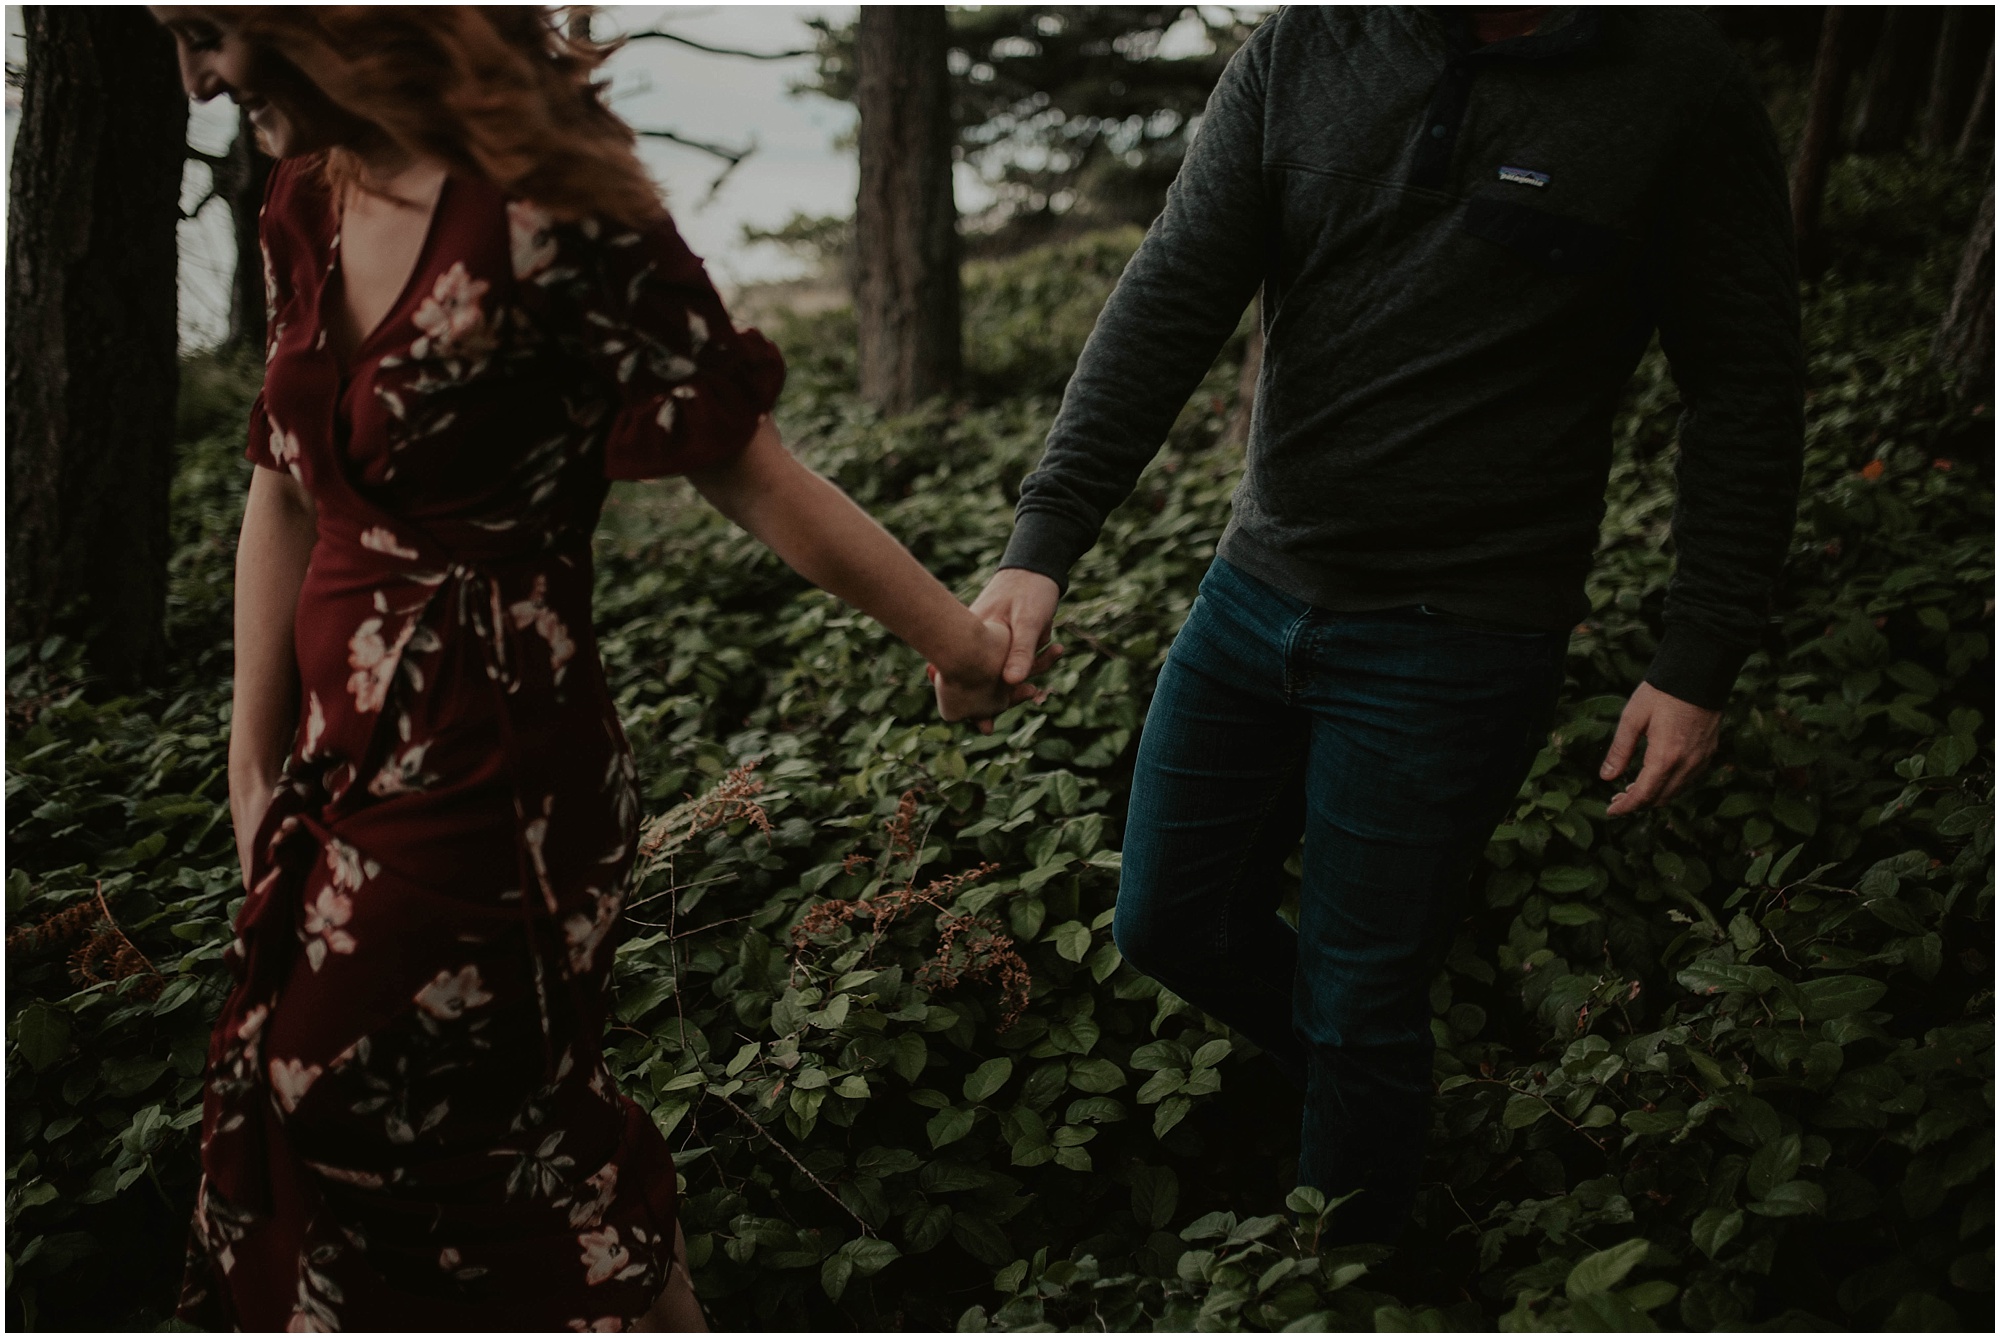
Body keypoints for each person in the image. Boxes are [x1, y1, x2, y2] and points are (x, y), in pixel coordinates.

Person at [151, 7, 1030, 1330]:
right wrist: (252, 765)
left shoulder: (548, 203)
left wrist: (959, 646)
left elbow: (755, 472)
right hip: (336, 762)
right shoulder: (305, 199)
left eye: (208, 32)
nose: (199, 83)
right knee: (475, 1132)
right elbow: (282, 487)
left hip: (495, 772)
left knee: (332, 1090)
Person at [958, 5, 1804, 1246]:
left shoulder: (1679, 91)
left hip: (1457, 638)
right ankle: (1371, 1103)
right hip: (1251, 594)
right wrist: (1043, 544)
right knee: (1168, 922)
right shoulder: (1303, 46)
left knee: (1361, 1004)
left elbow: (1742, 385)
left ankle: (1350, 1268)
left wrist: (1697, 656)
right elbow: (1171, 293)